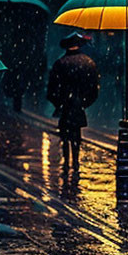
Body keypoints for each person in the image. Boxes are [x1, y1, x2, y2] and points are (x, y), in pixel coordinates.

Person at [46, 32, 99, 167]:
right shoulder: (89, 63)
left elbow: (52, 89)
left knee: (65, 135)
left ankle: (67, 160)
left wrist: (59, 103)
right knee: (76, 135)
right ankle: (75, 160)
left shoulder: (60, 63)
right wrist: (82, 103)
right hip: (78, 106)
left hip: (65, 107)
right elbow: (94, 89)